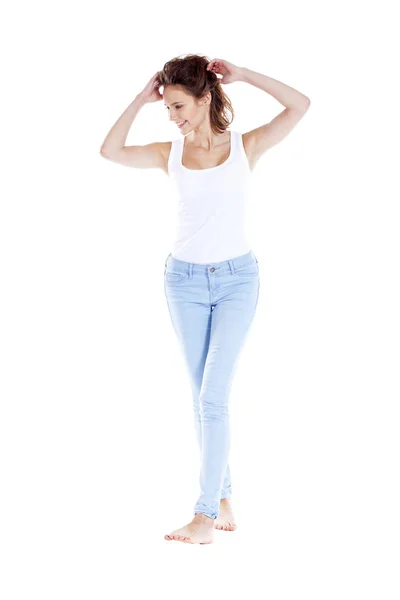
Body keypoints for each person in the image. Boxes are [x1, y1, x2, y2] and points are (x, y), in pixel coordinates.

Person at [100, 54, 310, 544]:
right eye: (167, 108)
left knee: (213, 397)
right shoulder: (166, 154)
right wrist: (140, 96)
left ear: (206, 97)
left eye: (179, 106)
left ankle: (203, 517)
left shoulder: (245, 146)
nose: (173, 117)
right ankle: (222, 494)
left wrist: (244, 74)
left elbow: (301, 105)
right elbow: (109, 150)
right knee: (203, 400)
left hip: (238, 281)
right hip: (184, 283)